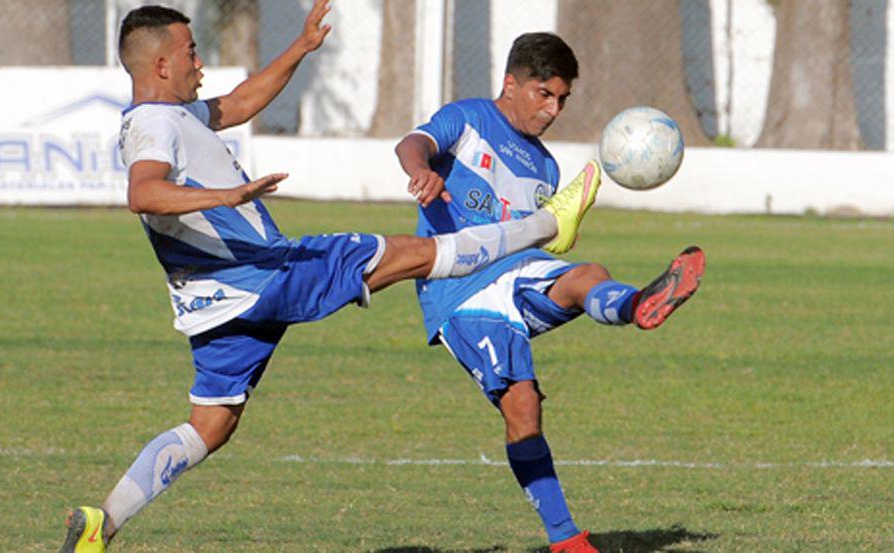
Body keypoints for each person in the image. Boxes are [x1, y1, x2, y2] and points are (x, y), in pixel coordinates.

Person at [58, 4, 601, 552]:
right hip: (263, 274)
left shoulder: (179, 114)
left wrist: (299, 47)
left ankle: (102, 522)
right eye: (191, 52)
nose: (200, 63)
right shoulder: (153, 124)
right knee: (408, 253)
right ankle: (548, 223)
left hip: (213, 302)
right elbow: (142, 193)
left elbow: (239, 103)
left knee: (211, 425)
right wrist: (224, 195)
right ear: (159, 64)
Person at [394, 32, 705, 553]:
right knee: (522, 407)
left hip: (518, 272)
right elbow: (413, 143)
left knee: (588, 273)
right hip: (459, 292)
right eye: (544, 94)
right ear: (511, 84)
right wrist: (420, 170)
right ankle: (566, 539)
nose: (553, 109)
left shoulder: (546, 168)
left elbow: (540, 236)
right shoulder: (467, 119)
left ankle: (636, 305)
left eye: (562, 99)